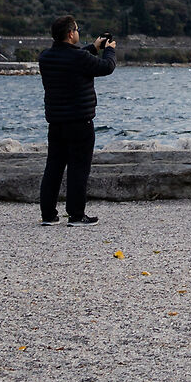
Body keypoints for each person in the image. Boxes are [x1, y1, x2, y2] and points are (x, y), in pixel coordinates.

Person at [39, 14, 115, 225]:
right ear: (71, 33)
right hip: (80, 122)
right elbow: (106, 67)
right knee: (78, 169)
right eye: (77, 29)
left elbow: (70, 57)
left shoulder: (45, 57)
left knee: (53, 168)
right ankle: (76, 215)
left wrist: (93, 46)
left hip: (56, 123)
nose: (78, 33)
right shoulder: (79, 59)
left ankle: (48, 215)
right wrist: (109, 50)